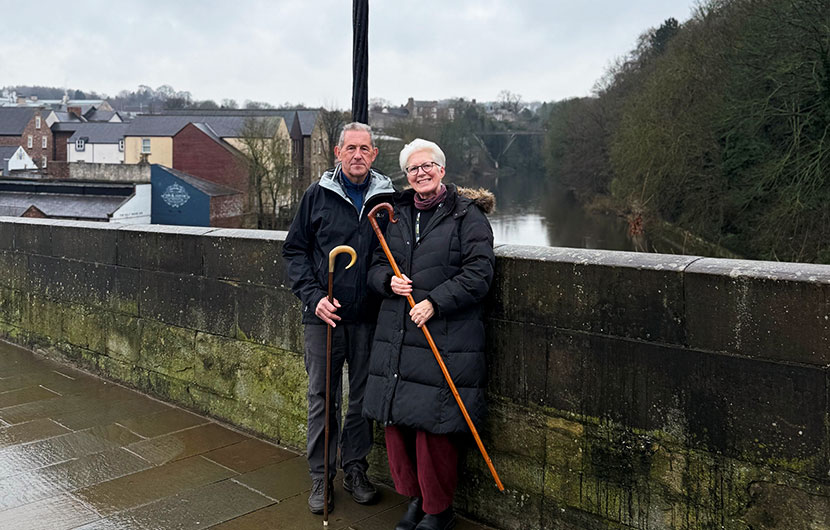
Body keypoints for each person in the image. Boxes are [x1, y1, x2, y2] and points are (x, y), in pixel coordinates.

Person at [363, 139, 495, 530]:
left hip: (445, 336)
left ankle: (439, 509)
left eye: (428, 166)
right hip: (398, 336)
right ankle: (417, 499)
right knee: (398, 423)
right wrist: (388, 282)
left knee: (432, 426)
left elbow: (479, 273)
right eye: (413, 169)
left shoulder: (467, 216)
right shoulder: (396, 214)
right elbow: (372, 266)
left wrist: (435, 301)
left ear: (442, 168)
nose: (421, 173)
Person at [282, 122, 395, 515]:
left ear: (374, 154)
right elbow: (295, 252)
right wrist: (314, 299)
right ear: (337, 151)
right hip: (323, 318)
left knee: (363, 399)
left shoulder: (388, 198)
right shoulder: (317, 195)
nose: (358, 155)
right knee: (322, 398)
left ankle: (355, 469)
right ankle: (321, 476)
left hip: (368, 316)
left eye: (365, 148)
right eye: (351, 148)